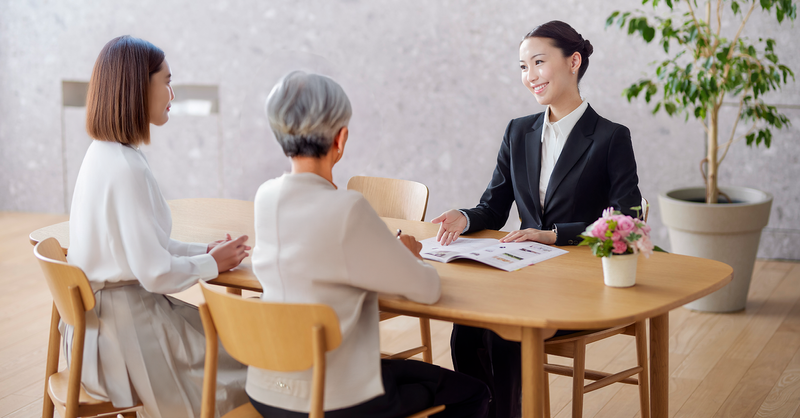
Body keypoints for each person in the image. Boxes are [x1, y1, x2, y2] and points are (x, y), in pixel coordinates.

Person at [248, 70, 489, 418]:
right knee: (473, 393)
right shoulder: (347, 207)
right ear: (341, 138)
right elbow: (428, 289)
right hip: (333, 401)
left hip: (267, 390)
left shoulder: (265, 195)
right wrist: (409, 256)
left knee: (399, 373)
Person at [432, 21, 642, 418]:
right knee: (467, 331)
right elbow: (494, 207)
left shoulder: (611, 137)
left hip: (580, 285)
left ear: (573, 62)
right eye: (523, 67)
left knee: (504, 335)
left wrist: (553, 235)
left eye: (539, 62)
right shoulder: (518, 132)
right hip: (524, 277)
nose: (530, 76)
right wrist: (463, 216)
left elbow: (626, 220)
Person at [66, 35, 250, 418]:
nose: (172, 92)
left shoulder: (103, 155)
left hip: (99, 334)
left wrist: (205, 253)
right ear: (137, 86)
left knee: (237, 346)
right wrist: (212, 264)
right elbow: (155, 272)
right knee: (256, 367)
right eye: (165, 80)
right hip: (127, 340)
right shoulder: (125, 168)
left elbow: (148, 247)